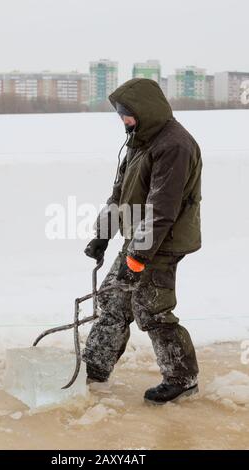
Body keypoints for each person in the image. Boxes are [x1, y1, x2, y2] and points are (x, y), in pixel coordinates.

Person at [82, 78, 202, 405]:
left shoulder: (175, 146)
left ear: (146, 110)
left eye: (127, 114)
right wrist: (102, 235)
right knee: (113, 301)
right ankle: (93, 368)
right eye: (121, 115)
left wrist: (137, 259)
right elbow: (120, 194)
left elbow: (162, 211)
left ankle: (182, 378)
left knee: (152, 309)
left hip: (162, 242)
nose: (123, 121)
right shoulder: (140, 140)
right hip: (139, 238)